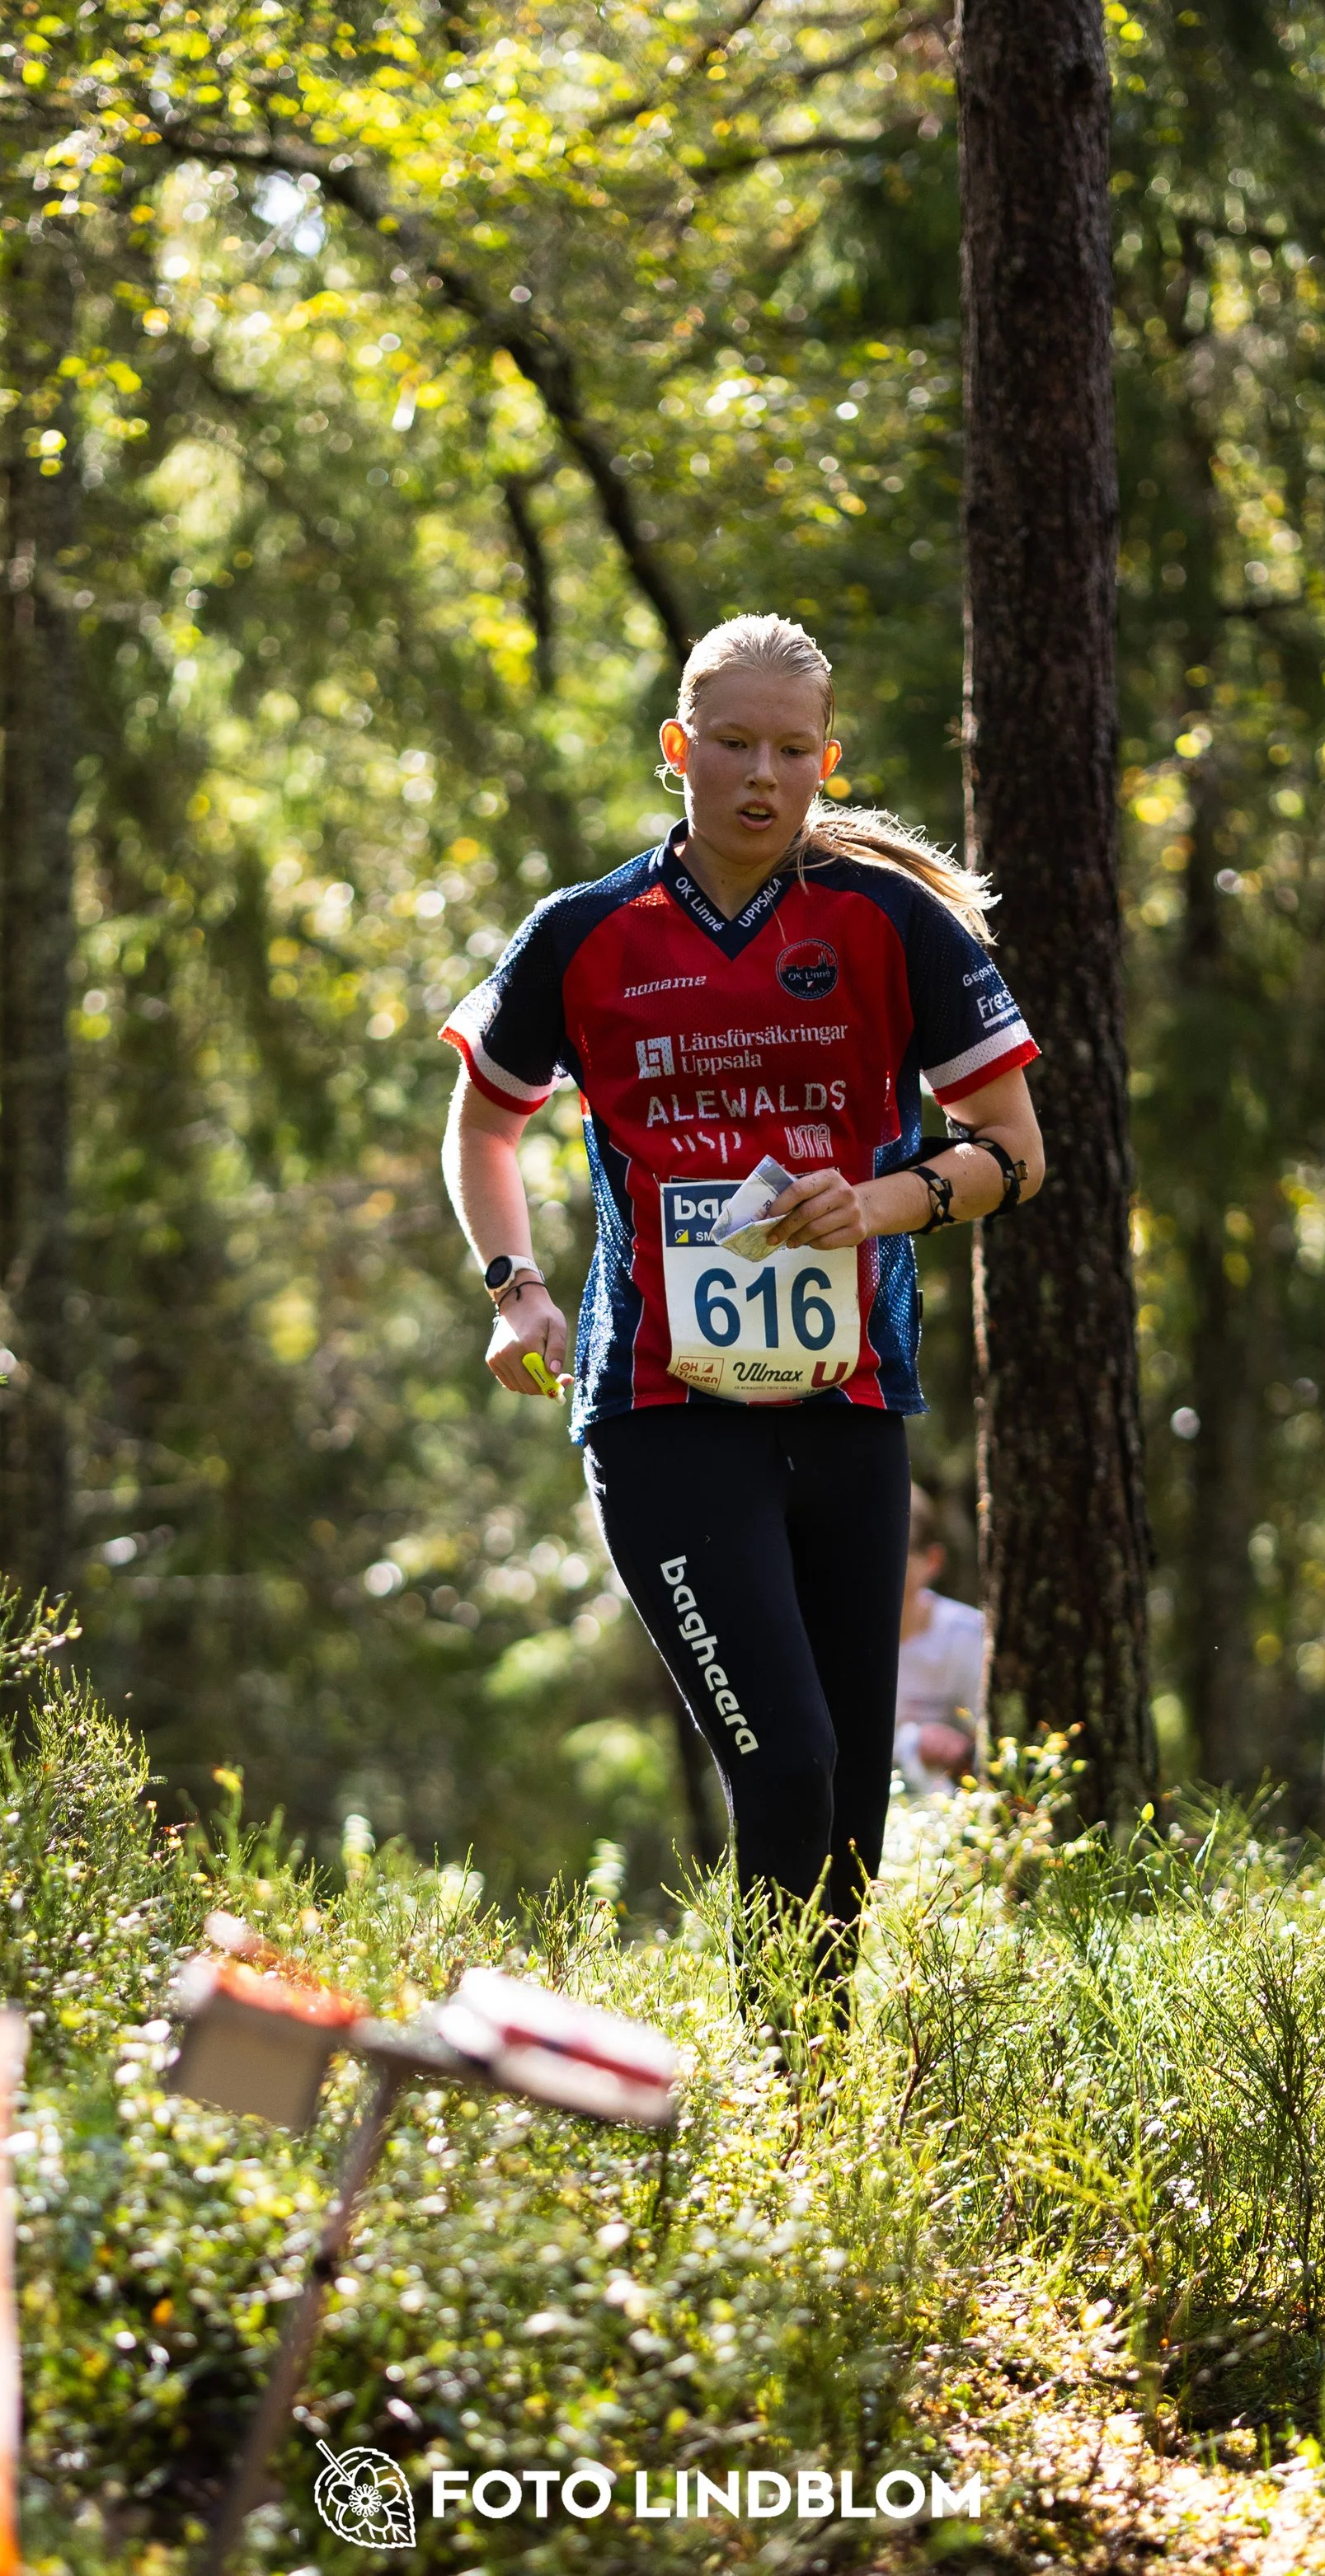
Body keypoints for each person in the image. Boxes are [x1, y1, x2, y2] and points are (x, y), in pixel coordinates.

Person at [439, 613, 1043, 1992]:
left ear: (827, 761)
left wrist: (881, 1201)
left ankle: (813, 2115)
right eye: (731, 745)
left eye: (791, 751)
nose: (761, 777)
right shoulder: (586, 935)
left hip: (853, 1404)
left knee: (855, 1818)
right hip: (662, 1414)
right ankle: (776, 2099)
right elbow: (482, 1129)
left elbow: (1016, 1150)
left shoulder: (894, 927)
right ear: (678, 749)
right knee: (789, 1762)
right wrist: (515, 1289)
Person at [895, 1485, 984, 1796]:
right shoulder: (833, 1642)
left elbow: (996, 1747)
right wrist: (912, 1743)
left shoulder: (969, 1636)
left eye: (895, 1551)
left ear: (932, 1561)